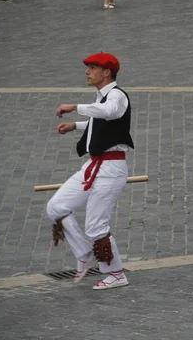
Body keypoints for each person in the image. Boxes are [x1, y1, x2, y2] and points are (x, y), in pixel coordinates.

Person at [46, 52, 134, 290]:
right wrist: (76, 126)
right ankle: (84, 253)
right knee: (56, 207)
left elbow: (110, 112)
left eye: (92, 68)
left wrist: (74, 107)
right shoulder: (102, 97)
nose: (87, 72)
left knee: (96, 226)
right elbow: (101, 122)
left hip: (111, 168)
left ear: (107, 72)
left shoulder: (116, 95)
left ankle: (115, 273)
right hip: (93, 165)